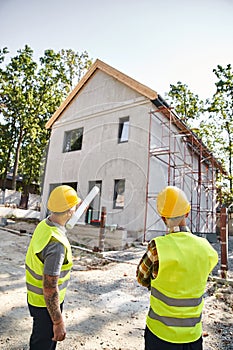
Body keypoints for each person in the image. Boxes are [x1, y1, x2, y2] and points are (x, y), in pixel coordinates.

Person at [136, 186, 218, 350]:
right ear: (187, 213)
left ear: (163, 218)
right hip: (192, 337)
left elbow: (141, 277)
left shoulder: (157, 247)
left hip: (159, 335)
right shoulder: (207, 249)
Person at [25, 185, 81, 350]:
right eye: (74, 206)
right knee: (43, 344)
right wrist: (57, 321)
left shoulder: (45, 225)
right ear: (70, 211)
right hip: (46, 306)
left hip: (35, 300)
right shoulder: (56, 244)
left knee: (38, 340)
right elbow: (49, 288)